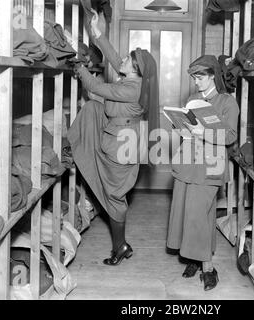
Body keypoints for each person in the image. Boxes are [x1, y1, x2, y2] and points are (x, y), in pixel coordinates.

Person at [67, 9, 158, 266]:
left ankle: (120, 247)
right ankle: (122, 245)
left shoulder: (132, 88)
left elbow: (95, 87)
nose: (123, 62)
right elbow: (115, 58)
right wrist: (98, 34)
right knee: (93, 107)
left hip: (121, 147)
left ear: (136, 70)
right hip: (118, 140)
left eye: (129, 60)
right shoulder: (134, 78)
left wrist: (80, 67)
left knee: (115, 197)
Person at [166, 55, 239, 291]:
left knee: (200, 216)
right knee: (188, 214)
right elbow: (187, 131)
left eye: (200, 78)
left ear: (213, 76)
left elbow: (230, 136)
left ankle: (208, 269)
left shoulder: (228, 102)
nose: (196, 83)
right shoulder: (192, 100)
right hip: (187, 163)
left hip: (210, 166)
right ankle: (193, 259)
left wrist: (202, 132)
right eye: (194, 78)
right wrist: (180, 125)